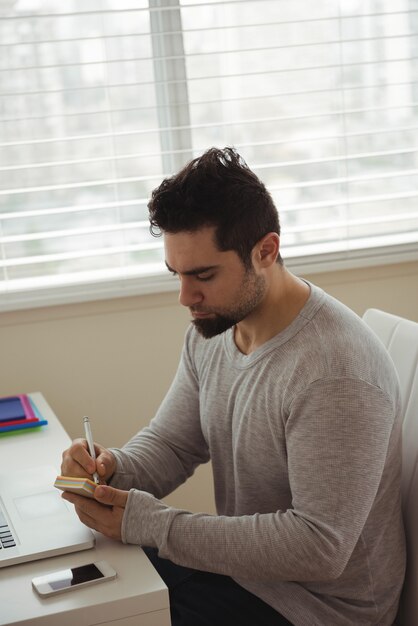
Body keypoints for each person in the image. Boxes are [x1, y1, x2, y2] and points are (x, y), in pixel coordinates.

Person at [61, 147, 406, 626]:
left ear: (265, 251)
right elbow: (174, 444)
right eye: (177, 275)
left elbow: (319, 546)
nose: (186, 297)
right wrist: (110, 470)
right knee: (79, 591)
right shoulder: (217, 328)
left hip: (316, 610)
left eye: (203, 275)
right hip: (245, 580)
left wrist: (151, 522)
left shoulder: (335, 371)